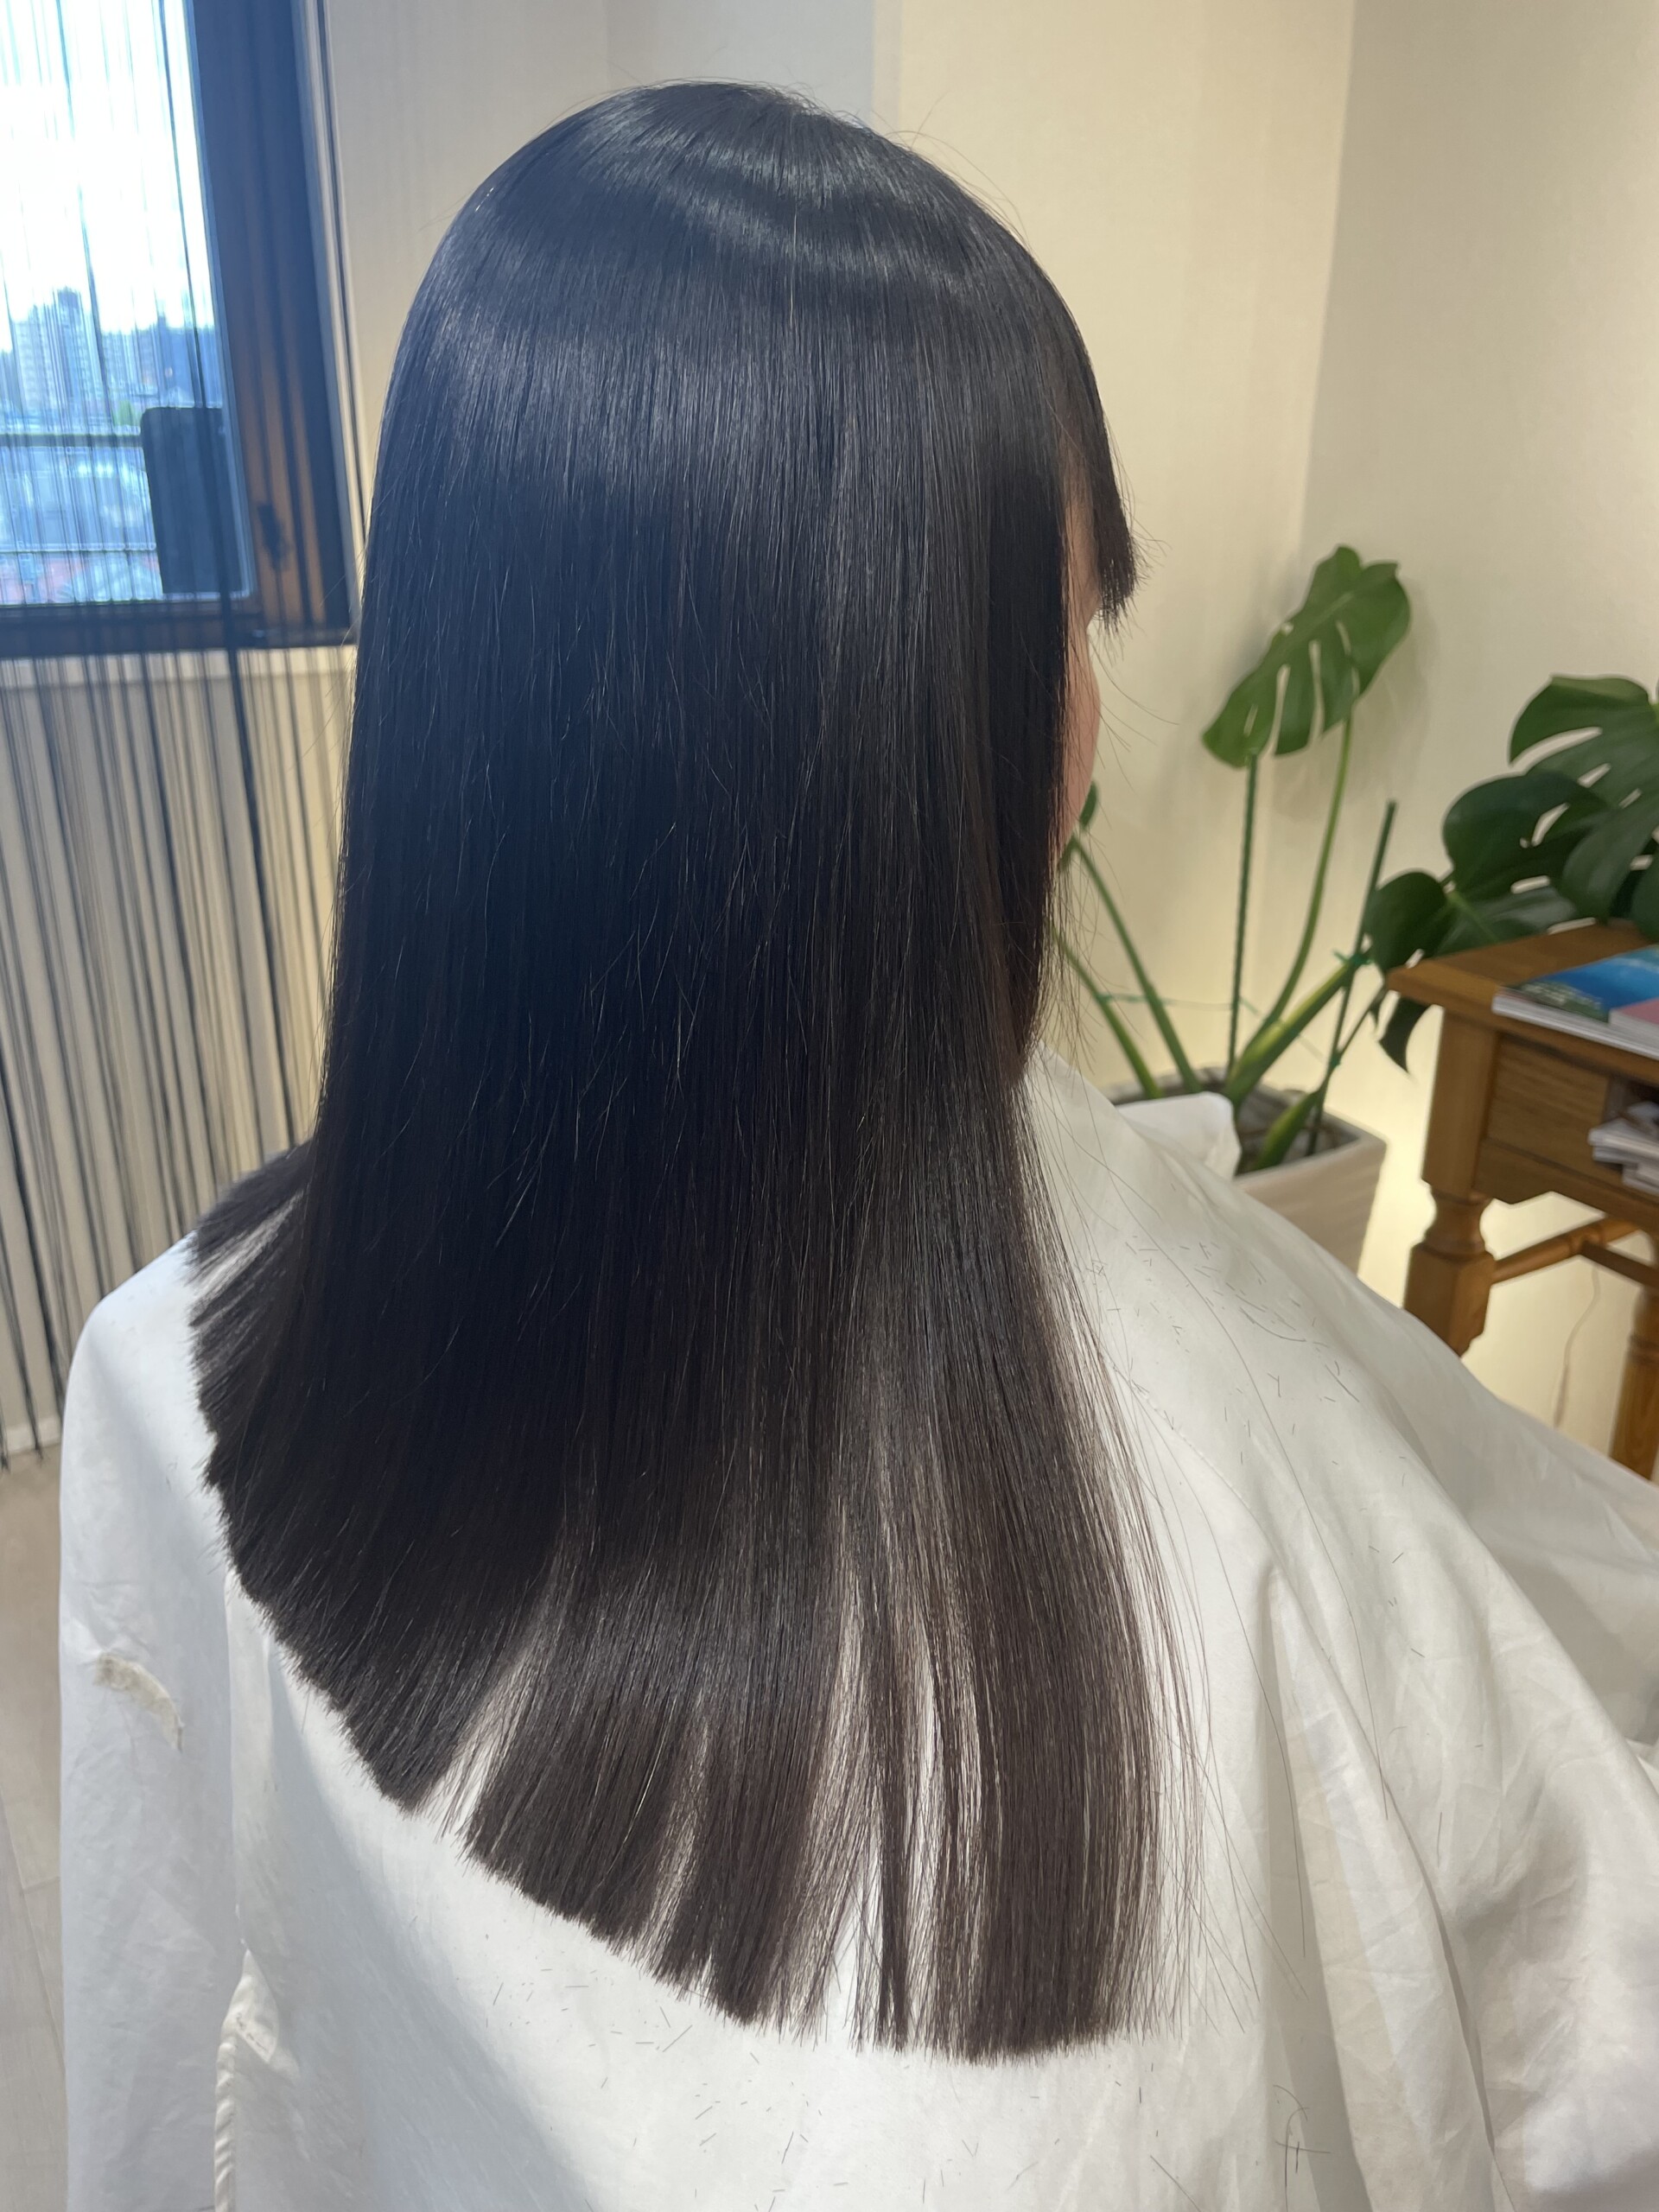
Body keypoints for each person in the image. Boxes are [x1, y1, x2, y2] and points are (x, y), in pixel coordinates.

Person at [60, 83, 1659, 2212]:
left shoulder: (163, 1359)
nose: (1089, 735)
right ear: (880, 740)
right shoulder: (1099, 1870)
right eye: (1067, 632)